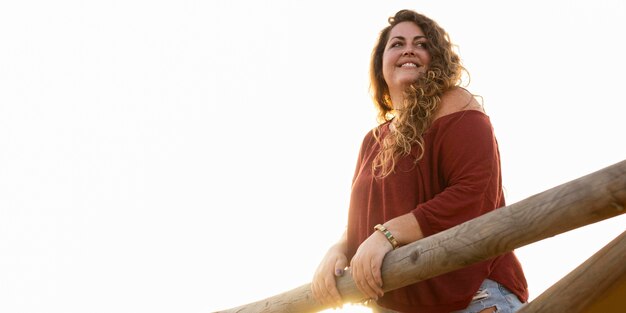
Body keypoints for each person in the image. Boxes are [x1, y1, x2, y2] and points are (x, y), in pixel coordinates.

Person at [311, 9, 528, 313]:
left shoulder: (455, 104)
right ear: (380, 65)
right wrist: (338, 251)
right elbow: (363, 217)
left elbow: (474, 193)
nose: (409, 49)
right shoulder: (372, 141)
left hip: (473, 299)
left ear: (436, 59)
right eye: (397, 44)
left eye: (422, 44)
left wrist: (387, 234)